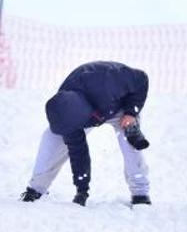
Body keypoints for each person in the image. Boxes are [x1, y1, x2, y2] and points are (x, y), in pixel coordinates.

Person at [20, 61, 151, 206]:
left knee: (129, 142)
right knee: (51, 140)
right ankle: (36, 188)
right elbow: (78, 151)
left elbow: (141, 79)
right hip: (88, 107)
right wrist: (82, 190)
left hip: (119, 106)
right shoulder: (65, 110)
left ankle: (141, 193)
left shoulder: (110, 83)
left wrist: (131, 112)